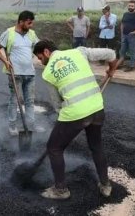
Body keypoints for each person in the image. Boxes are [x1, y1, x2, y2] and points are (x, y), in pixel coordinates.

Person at [33, 39, 118, 200]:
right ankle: (106, 185)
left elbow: (58, 105)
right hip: (97, 108)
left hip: (74, 114)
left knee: (54, 147)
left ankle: (60, 190)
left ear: (46, 52)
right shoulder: (79, 51)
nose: (40, 61)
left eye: (39, 57)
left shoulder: (48, 72)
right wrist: (111, 69)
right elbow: (111, 54)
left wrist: (63, 124)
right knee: (96, 146)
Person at [0, 10, 44, 136]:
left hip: (30, 73)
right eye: (29, 23)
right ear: (20, 21)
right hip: (15, 74)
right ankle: (12, 126)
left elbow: (39, 46)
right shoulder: (8, 33)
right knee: (14, 100)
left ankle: (31, 125)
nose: (31, 26)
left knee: (29, 101)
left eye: (32, 23)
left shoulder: (31, 34)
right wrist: (5, 61)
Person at [118, 0, 135, 72]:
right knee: (122, 51)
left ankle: (131, 66)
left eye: (132, 6)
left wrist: (134, 32)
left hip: (132, 36)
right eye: (129, 6)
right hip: (124, 35)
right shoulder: (125, 14)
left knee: (132, 52)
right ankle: (120, 64)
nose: (130, 7)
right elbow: (122, 24)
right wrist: (122, 33)